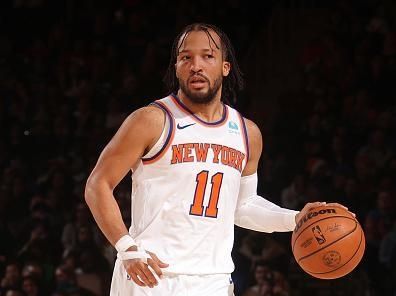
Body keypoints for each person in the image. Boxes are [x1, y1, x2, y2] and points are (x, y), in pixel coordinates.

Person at [84, 23, 351, 295]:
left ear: (225, 67)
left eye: (207, 56)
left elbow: (243, 205)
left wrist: (295, 219)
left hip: (214, 281)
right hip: (151, 276)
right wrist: (126, 247)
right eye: (186, 57)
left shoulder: (247, 133)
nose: (196, 65)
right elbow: (98, 184)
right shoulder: (151, 120)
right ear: (176, 67)